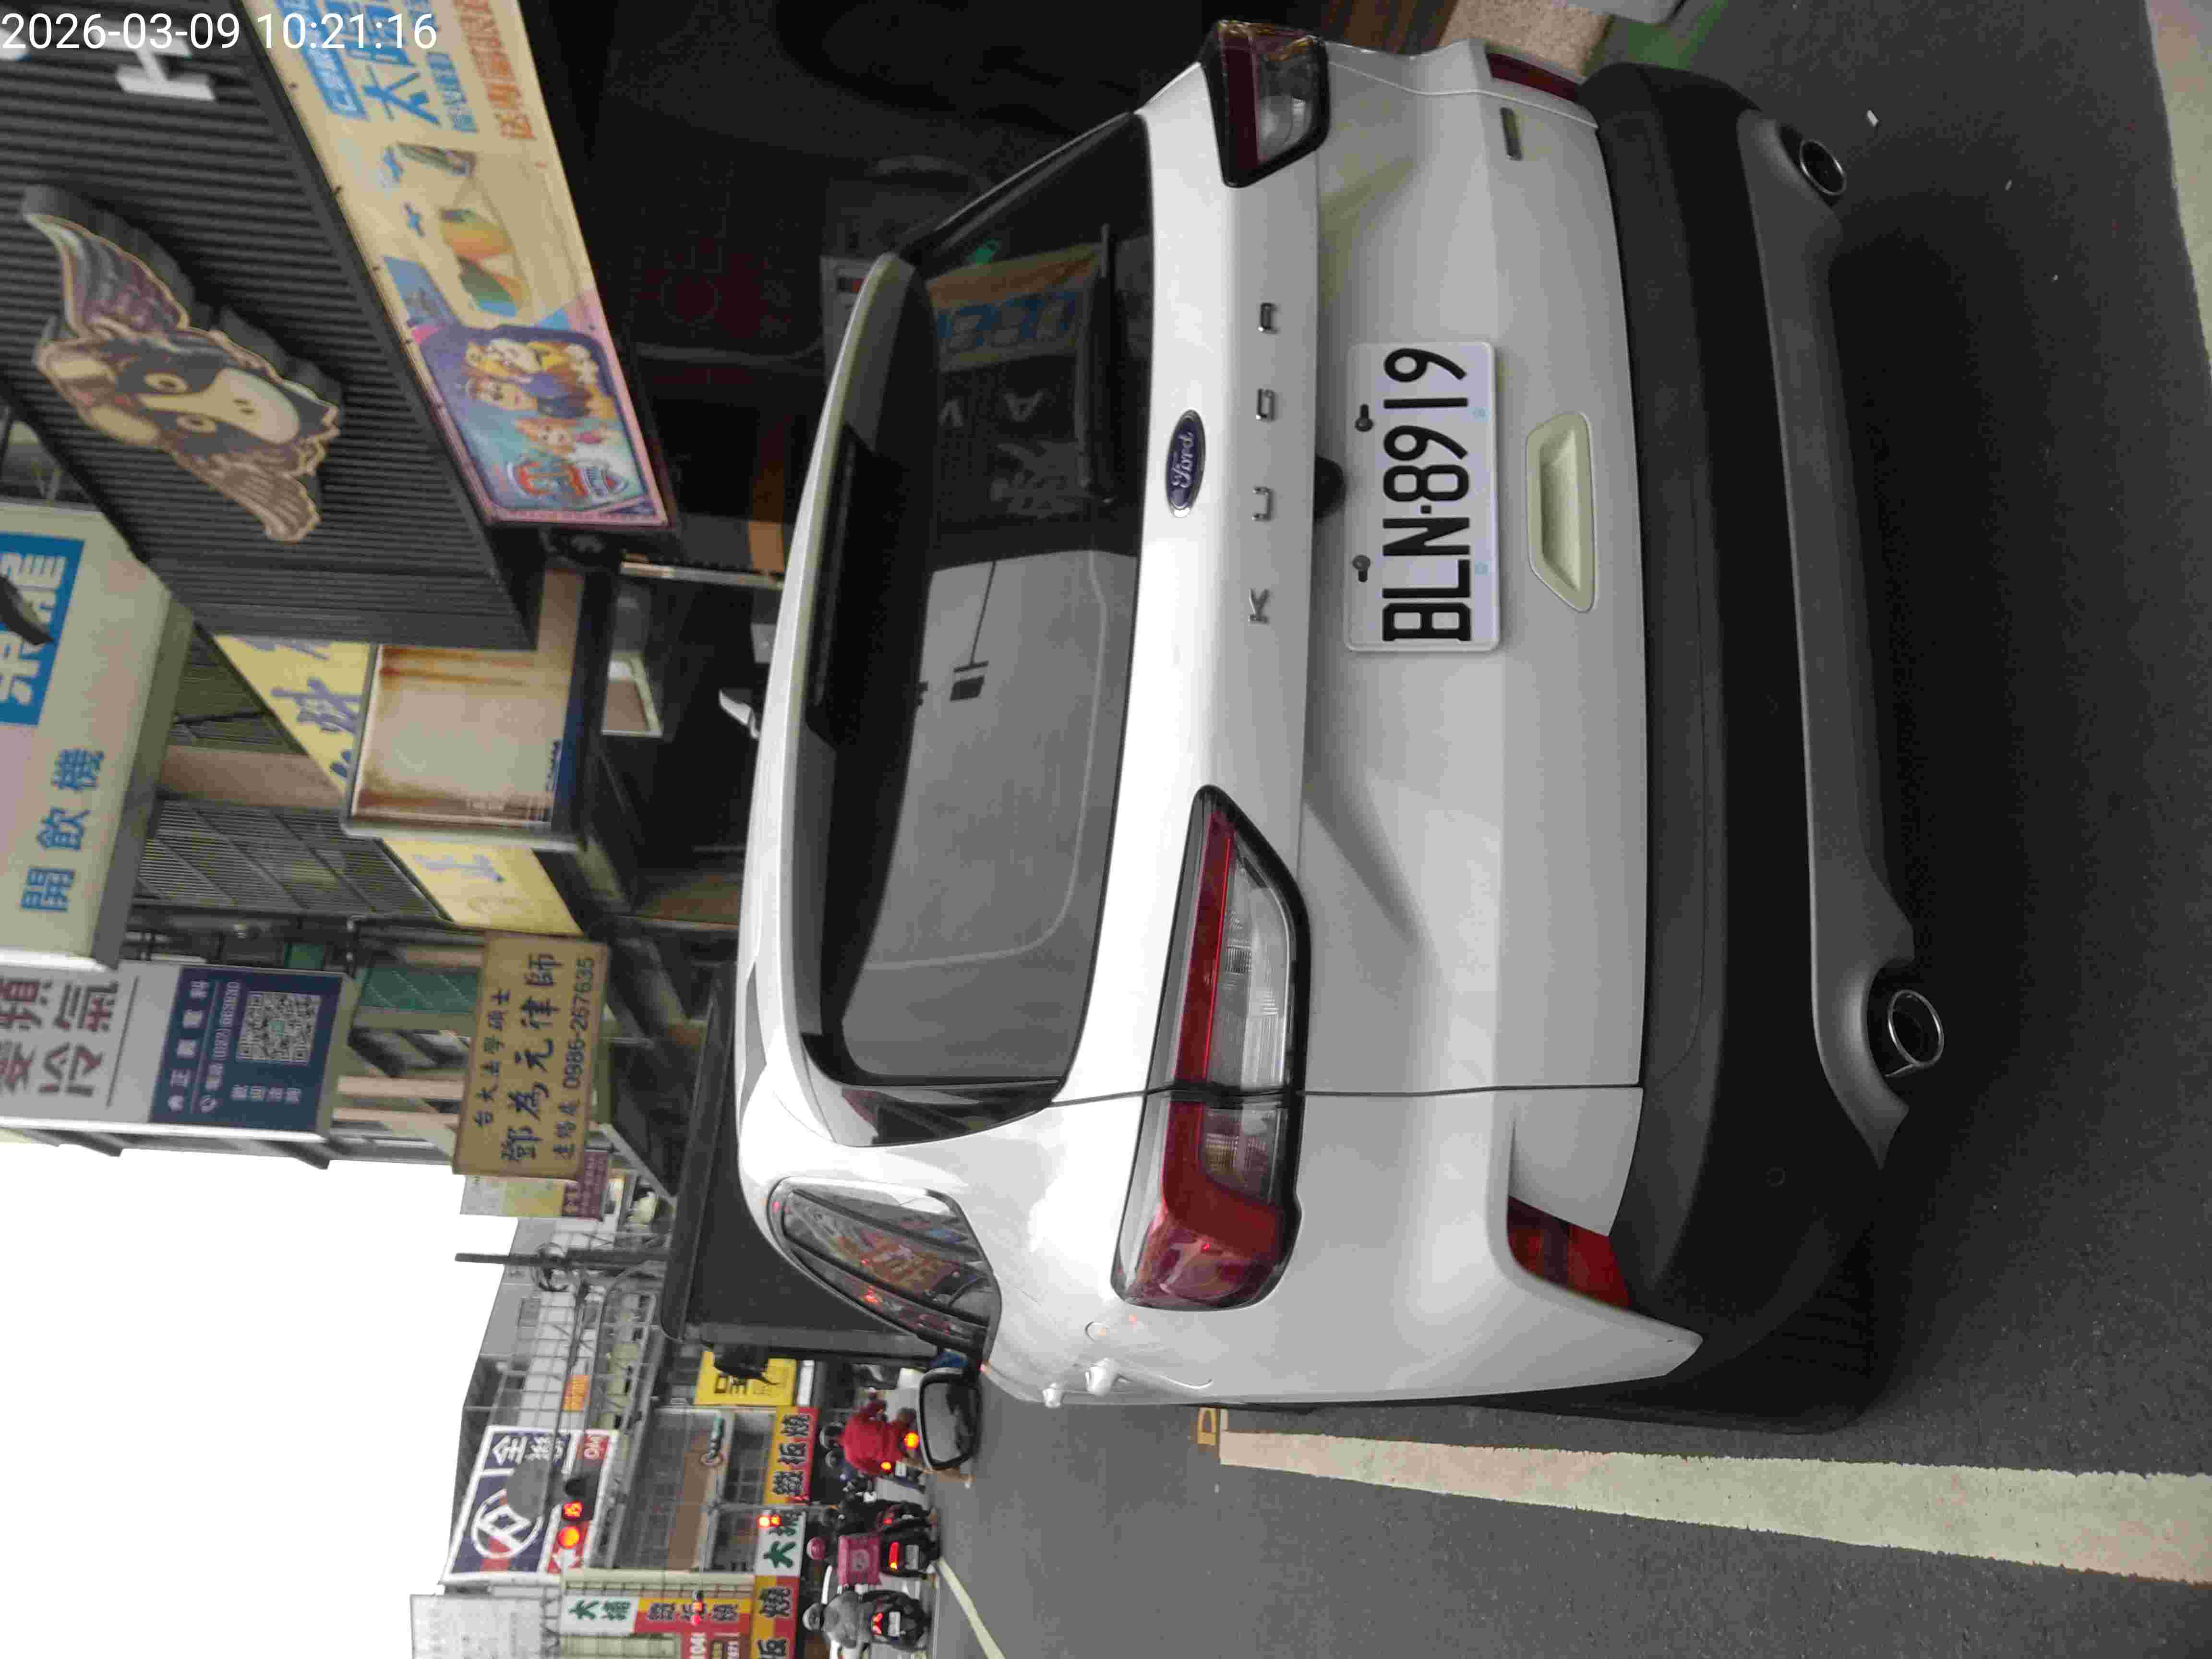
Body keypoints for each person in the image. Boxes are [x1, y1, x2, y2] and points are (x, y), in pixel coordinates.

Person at [837, 1394, 918, 1478]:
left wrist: (882, 1471)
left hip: (897, 1454)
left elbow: (871, 1468)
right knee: (904, 1412)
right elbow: (871, 1408)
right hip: (898, 1430)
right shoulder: (853, 1422)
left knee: (920, 1466)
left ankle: (925, 1468)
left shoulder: (850, 1457)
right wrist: (882, 1405)